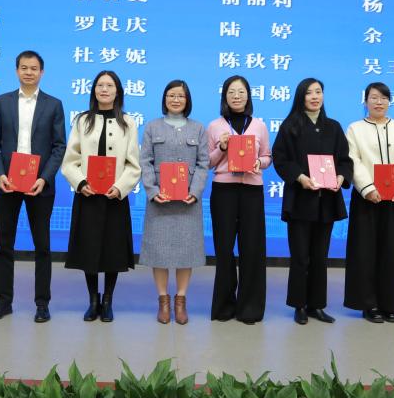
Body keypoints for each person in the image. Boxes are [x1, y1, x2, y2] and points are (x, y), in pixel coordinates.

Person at [0, 50, 67, 323]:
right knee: (4, 244)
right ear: (16, 70)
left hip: (39, 185)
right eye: (24, 67)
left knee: (42, 246)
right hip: (8, 183)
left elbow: (59, 146)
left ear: (41, 72)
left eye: (33, 68)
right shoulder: (3, 101)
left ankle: (42, 304)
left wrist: (45, 177)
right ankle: (3, 302)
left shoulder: (54, 104)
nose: (28, 72)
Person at [60, 71, 140, 322]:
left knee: (112, 250)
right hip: (88, 195)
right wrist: (80, 182)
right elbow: (70, 160)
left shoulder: (128, 122)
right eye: (100, 85)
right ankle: (93, 299)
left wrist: (120, 187)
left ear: (118, 91)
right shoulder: (82, 121)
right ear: (94, 90)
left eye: (110, 85)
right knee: (90, 248)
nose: (104, 89)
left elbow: (133, 164)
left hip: (114, 196)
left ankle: (108, 300)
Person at [272, 78, 352, 325]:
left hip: (326, 201)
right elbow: (281, 159)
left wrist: (341, 177)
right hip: (300, 200)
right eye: (309, 93)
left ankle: (316, 305)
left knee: (320, 256)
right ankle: (299, 306)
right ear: (301, 97)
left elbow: (345, 160)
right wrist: (300, 178)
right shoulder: (290, 126)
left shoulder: (334, 127)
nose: (315, 97)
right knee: (300, 256)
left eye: (318, 92)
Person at [343, 82, 394, 323]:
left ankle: (389, 304)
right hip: (367, 199)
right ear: (365, 101)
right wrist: (367, 188)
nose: (379, 102)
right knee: (364, 252)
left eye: (384, 98)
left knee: (392, 252)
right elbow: (352, 160)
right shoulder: (355, 129)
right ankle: (368, 304)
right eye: (374, 97)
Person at [139, 80, 210, 325]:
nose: (176, 100)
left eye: (180, 96)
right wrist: (152, 190)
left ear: (187, 100)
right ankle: (163, 300)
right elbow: (145, 161)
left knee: (185, 252)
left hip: (188, 201)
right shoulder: (152, 127)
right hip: (160, 200)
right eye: (171, 95)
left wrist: (196, 191)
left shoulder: (198, 128)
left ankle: (180, 300)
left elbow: (203, 163)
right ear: (164, 99)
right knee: (159, 252)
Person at [206, 75, 272, 324]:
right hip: (224, 190)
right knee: (224, 249)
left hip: (252, 191)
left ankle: (250, 308)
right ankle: (224, 306)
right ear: (224, 96)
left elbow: (267, 156)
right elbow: (208, 162)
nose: (236, 96)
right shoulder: (214, 126)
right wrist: (221, 148)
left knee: (252, 249)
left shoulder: (259, 125)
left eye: (241, 91)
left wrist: (259, 163)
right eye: (231, 92)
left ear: (248, 96)